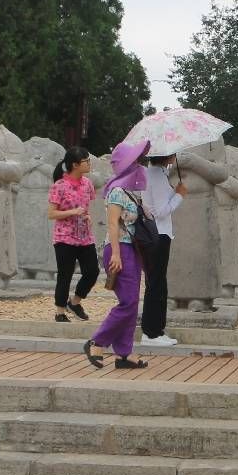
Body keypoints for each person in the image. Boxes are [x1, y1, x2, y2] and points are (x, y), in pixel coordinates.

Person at [83, 139, 150, 369]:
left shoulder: (132, 193)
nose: (139, 165)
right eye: (135, 161)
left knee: (131, 302)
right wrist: (116, 255)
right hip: (119, 248)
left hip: (133, 249)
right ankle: (97, 341)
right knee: (129, 302)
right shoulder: (117, 191)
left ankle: (124, 353)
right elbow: (112, 224)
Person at [47, 145, 98, 321]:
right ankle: (60, 312)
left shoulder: (88, 184)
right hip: (64, 238)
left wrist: (88, 216)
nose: (89, 163)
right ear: (75, 165)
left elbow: (86, 208)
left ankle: (75, 302)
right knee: (65, 275)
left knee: (92, 271)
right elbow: (51, 214)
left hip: (85, 237)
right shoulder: (59, 186)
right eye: (86, 161)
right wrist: (72, 212)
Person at [140, 155, 183, 348]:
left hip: (158, 234)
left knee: (157, 283)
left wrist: (174, 192)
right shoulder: (156, 175)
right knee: (156, 284)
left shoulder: (157, 173)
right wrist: (179, 195)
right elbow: (160, 211)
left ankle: (157, 330)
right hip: (158, 234)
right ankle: (151, 332)